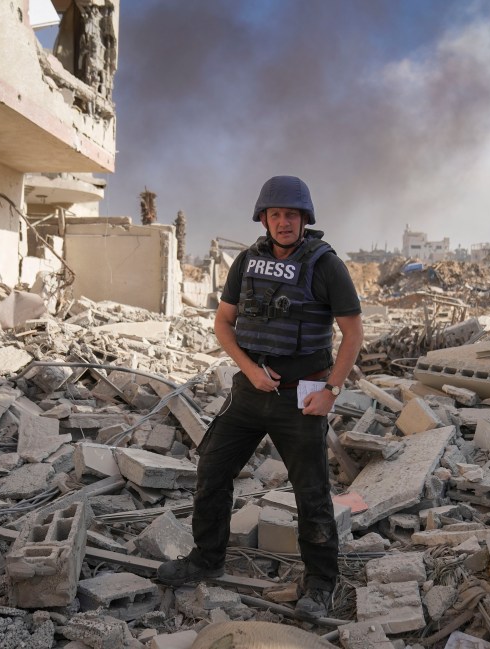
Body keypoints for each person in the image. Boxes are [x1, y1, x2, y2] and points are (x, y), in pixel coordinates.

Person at [157, 175, 364, 618]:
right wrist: (250, 370)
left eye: (291, 214)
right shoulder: (247, 263)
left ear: (305, 219)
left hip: (303, 398)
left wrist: (331, 390)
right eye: (275, 214)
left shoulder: (326, 265)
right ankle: (206, 558)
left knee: (311, 493)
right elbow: (223, 323)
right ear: (264, 218)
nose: (284, 222)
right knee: (212, 471)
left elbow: (352, 334)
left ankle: (321, 582)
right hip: (250, 394)